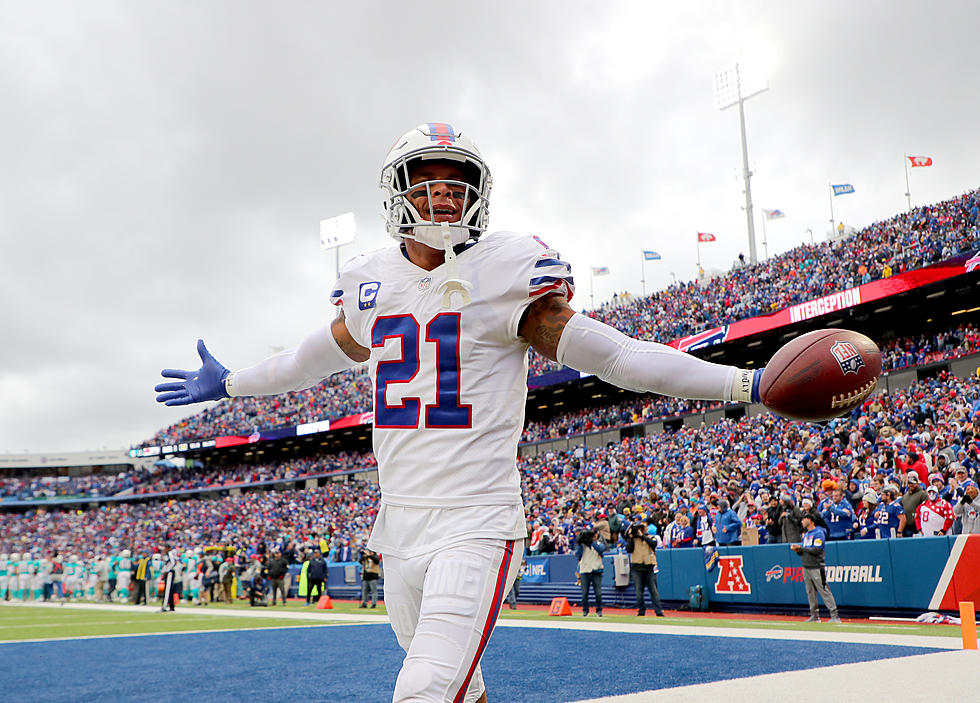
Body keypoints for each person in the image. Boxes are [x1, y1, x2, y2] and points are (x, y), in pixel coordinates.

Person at [154, 122, 776, 703]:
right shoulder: (369, 279)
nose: (447, 198)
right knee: (462, 684)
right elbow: (309, 357)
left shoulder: (505, 268)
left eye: (459, 185)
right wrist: (231, 382)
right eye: (430, 182)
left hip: (476, 519)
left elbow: (617, 356)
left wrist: (747, 383)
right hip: (397, 525)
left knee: (423, 690)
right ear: (399, 191)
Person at [791, 513, 841, 623]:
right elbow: (805, 551)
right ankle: (814, 615)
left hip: (817, 567)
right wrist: (798, 550)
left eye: (803, 519)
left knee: (824, 591)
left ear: (809, 520)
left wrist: (802, 548)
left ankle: (834, 615)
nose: (801, 522)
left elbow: (817, 550)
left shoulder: (818, 533)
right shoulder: (806, 534)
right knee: (810, 592)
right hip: (806, 566)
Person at [625, 522, 664, 617]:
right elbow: (629, 549)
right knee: (639, 591)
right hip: (637, 567)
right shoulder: (633, 539)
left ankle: (658, 611)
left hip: (649, 567)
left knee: (653, 591)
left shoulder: (651, 537)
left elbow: (653, 544)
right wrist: (630, 536)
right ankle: (641, 610)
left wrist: (642, 536)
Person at [575, 528, 605, 617]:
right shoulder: (582, 545)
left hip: (596, 571)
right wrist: (581, 543)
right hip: (585, 570)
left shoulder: (600, 544)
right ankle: (585, 610)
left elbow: (600, 550)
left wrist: (591, 542)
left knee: (598, 593)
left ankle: (599, 610)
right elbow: (578, 555)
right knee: (584, 593)